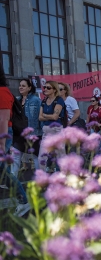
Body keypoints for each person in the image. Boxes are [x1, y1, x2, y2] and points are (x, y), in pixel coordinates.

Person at [0, 62, 30, 216]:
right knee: (2, 172)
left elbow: (4, 120)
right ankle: (22, 201)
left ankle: (23, 201)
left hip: (3, 134)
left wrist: (2, 144)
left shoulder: (3, 92)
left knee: (3, 171)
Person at [11, 79, 42, 176]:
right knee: (15, 156)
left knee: (35, 156)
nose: (20, 87)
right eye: (20, 85)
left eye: (23, 86)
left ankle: (40, 179)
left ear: (29, 88)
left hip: (32, 132)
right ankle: (13, 181)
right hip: (18, 133)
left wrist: (40, 131)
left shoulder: (36, 100)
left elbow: (39, 117)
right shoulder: (17, 100)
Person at [38, 81, 66, 171]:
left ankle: (64, 178)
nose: (45, 89)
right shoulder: (44, 100)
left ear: (54, 90)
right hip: (46, 131)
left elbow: (55, 117)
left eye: (48, 88)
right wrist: (48, 116)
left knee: (61, 157)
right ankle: (43, 179)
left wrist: (45, 115)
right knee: (41, 158)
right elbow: (39, 117)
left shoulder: (59, 100)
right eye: (44, 87)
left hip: (57, 130)